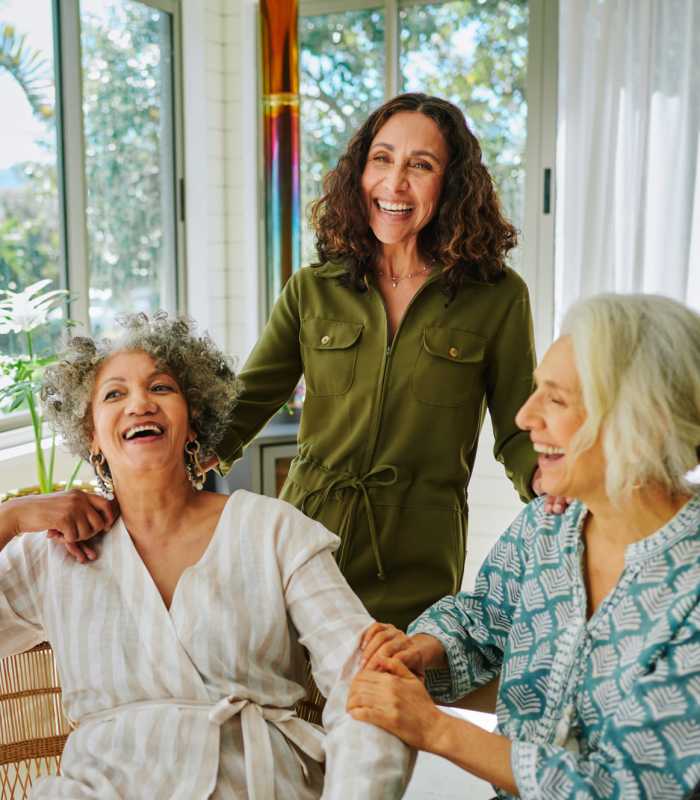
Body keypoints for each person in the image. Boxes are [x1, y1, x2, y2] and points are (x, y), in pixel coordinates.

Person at [0, 314, 413, 799]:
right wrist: (11, 517)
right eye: (114, 394)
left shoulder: (273, 531)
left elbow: (365, 678)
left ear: (193, 419)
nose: (139, 404)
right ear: (91, 434)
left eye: (161, 387)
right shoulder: (50, 554)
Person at [215, 93, 553, 632]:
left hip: (417, 559)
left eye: (421, 165)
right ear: (360, 171)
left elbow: (519, 427)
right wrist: (155, 468)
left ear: (452, 183)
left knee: (390, 684)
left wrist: (550, 482)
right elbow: (243, 405)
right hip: (303, 545)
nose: (394, 184)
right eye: (382, 159)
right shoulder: (313, 288)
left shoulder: (497, 295)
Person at [348, 293, 700, 799]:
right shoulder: (547, 526)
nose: (523, 417)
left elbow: (629, 787)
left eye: (556, 400)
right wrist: (423, 650)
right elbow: (484, 616)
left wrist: (436, 729)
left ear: (643, 420)